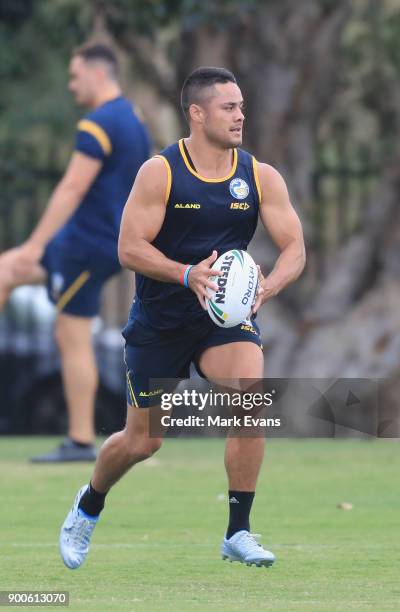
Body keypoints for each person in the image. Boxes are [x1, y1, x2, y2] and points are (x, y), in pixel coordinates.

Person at [59, 67, 305, 568]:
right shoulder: (162, 172)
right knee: (142, 440)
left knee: (250, 400)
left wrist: (268, 285)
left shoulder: (259, 176)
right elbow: (128, 248)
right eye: (228, 107)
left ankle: (238, 531)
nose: (240, 116)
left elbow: (295, 247)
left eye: (241, 106)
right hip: (160, 322)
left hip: (222, 320)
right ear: (197, 113)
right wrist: (186, 272)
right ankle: (89, 504)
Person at [0, 44, 151, 462]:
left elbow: (72, 186)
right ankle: (82, 440)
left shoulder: (99, 122)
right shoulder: (133, 119)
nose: (71, 84)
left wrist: (35, 244)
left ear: (98, 75)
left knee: (71, 336)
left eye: (75, 75)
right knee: (6, 271)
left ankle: (81, 441)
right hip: (87, 242)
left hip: (85, 247)